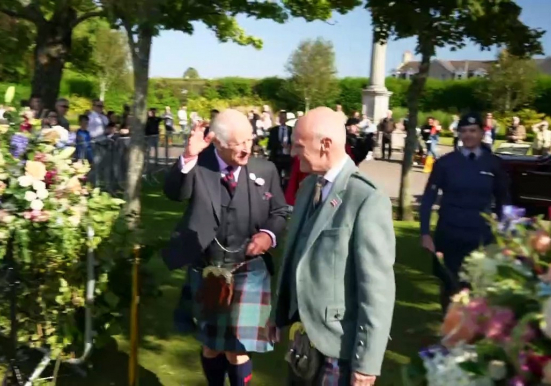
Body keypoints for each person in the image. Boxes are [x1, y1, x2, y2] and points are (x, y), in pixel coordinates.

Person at [270, 107, 395, 386]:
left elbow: (377, 290)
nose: (292, 152)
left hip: (337, 348)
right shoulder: (307, 188)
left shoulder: (365, 197)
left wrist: (367, 362)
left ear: (325, 145)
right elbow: (293, 257)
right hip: (302, 341)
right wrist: (277, 314)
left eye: (298, 145)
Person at [163, 109, 288, 386]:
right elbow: (173, 192)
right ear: (217, 142)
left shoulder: (264, 169)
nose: (246, 149)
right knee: (212, 346)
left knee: (237, 347)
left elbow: (279, 211)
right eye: (238, 143)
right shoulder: (199, 164)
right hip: (207, 269)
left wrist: (268, 235)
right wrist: (188, 156)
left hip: (249, 270)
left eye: (249, 141)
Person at [419, 112, 510, 313]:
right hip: (449, 235)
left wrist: (505, 232)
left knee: (478, 290)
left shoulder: (493, 163)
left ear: (481, 133)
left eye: (473, 131)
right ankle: (448, 332)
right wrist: (425, 233)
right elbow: (428, 199)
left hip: (480, 236)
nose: (468, 135)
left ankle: (471, 336)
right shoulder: (445, 163)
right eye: (464, 131)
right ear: (458, 134)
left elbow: (504, 200)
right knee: (450, 287)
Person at [267, 111, 294, 185]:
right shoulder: (274, 130)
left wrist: (289, 146)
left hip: (288, 157)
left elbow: (294, 141)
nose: (282, 119)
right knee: (276, 176)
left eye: (284, 117)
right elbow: (270, 144)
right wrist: (280, 145)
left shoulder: (291, 130)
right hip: (277, 156)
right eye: (281, 117)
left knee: (288, 176)